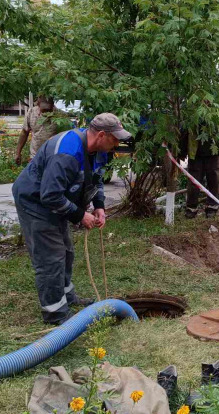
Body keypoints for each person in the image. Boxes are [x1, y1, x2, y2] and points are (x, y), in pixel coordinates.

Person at [12, 113, 132, 325]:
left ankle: (67, 297)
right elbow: (49, 195)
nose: (118, 143)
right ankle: (56, 314)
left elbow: (96, 181)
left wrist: (100, 207)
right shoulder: (67, 153)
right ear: (102, 135)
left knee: (66, 252)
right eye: (115, 138)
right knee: (51, 257)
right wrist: (79, 215)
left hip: (55, 200)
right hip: (35, 202)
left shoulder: (99, 151)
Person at [179, 118, 219, 219]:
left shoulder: (218, 112)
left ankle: (212, 208)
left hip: (214, 154)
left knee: (214, 181)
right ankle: (191, 208)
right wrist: (182, 151)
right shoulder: (192, 111)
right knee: (194, 183)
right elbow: (185, 131)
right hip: (196, 154)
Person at [15, 96, 60, 165]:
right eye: (43, 110)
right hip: (35, 157)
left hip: (53, 158)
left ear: (52, 105)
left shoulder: (60, 116)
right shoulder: (31, 112)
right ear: (38, 104)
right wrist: (18, 153)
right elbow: (24, 132)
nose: (46, 113)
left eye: (48, 109)